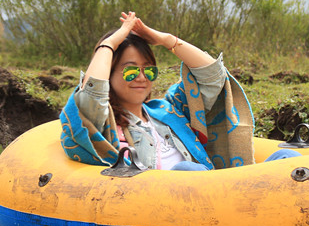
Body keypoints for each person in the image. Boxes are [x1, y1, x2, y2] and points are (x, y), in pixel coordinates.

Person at [60, 11, 288, 170]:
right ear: (109, 74)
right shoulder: (105, 125)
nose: (141, 78)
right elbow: (92, 93)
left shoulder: (169, 111)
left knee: (287, 157)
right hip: (167, 201)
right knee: (189, 170)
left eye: (149, 71)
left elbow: (212, 77)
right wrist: (109, 44)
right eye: (130, 72)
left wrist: (166, 40)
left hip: (216, 193)